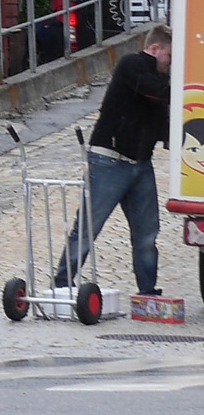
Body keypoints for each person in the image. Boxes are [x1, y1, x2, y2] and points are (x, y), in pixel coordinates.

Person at [56, 22, 170, 300]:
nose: (172, 64)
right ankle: (61, 286)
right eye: (170, 57)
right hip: (109, 161)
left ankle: (147, 292)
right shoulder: (132, 64)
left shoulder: (159, 77)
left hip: (141, 163)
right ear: (154, 49)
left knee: (146, 235)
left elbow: (162, 123)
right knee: (87, 229)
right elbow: (155, 91)